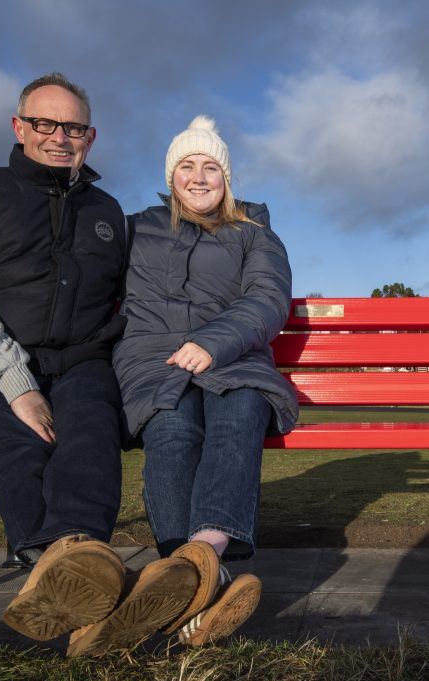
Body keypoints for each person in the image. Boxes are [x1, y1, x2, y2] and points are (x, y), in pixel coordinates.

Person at [0, 73, 199, 654]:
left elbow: (139, 294)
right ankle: (81, 578)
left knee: (88, 441)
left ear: (90, 136)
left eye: (72, 127)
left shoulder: (106, 211)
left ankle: (76, 570)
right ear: (19, 127)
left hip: (82, 361)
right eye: (44, 124)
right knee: (21, 446)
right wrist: (16, 383)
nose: (58, 136)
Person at [113, 115, 298, 647]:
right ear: (171, 176)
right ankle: (193, 577)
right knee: (171, 430)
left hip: (232, 356)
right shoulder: (137, 227)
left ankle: (200, 564)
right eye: (187, 166)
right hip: (156, 359)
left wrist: (212, 343)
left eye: (210, 166)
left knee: (238, 414)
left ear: (227, 177)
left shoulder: (254, 232)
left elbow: (267, 299)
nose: (199, 177)